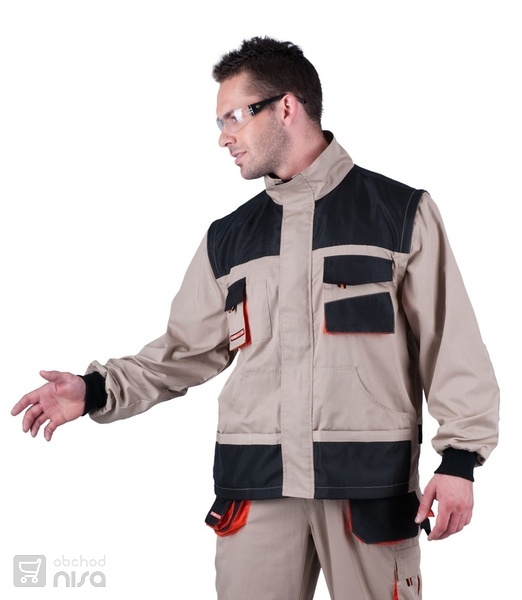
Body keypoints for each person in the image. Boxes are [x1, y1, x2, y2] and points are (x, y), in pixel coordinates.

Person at [12, 36, 499, 599]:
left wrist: (460, 459)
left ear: (286, 107)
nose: (224, 137)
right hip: (256, 491)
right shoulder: (230, 238)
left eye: (234, 117)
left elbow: (450, 342)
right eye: (220, 123)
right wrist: (95, 389)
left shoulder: (398, 214)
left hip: (369, 490)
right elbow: (182, 352)